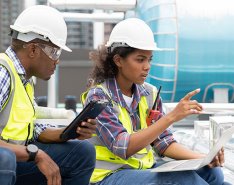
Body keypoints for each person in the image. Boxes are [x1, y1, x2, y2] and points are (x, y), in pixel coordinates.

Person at [82, 18, 228, 185]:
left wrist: (204, 158)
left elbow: (162, 142)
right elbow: (122, 147)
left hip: (143, 171)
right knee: (184, 179)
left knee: (212, 173)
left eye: (149, 59)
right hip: (109, 176)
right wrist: (171, 117)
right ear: (118, 60)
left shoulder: (149, 93)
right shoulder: (99, 97)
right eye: (140, 59)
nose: (147, 66)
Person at [0, 5, 96, 185]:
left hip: (14, 159)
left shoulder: (23, 80)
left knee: (82, 153)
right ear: (33, 50)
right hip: (6, 162)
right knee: (5, 159)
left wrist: (68, 133)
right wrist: (36, 155)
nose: (57, 60)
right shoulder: (3, 73)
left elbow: (29, 131)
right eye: (54, 51)